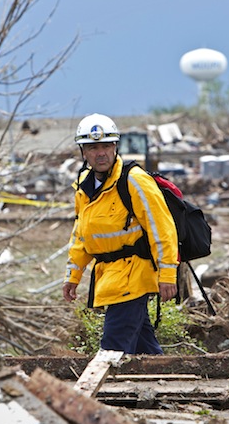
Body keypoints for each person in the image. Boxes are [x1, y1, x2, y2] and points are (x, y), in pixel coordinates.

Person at [62, 113, 179, 355]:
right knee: (143, 350)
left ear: (116, 147)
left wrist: (168, 273)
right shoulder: (84, 185)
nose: (100, 153)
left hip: (133, 276)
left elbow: (163, 229)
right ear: (83, 152)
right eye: (93, 147)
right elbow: (81, 234)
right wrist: (73, 275)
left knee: (112, 350)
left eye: (106, 145)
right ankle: (163, 386)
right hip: (109, 277)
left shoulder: (134, 180)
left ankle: (97, 392)